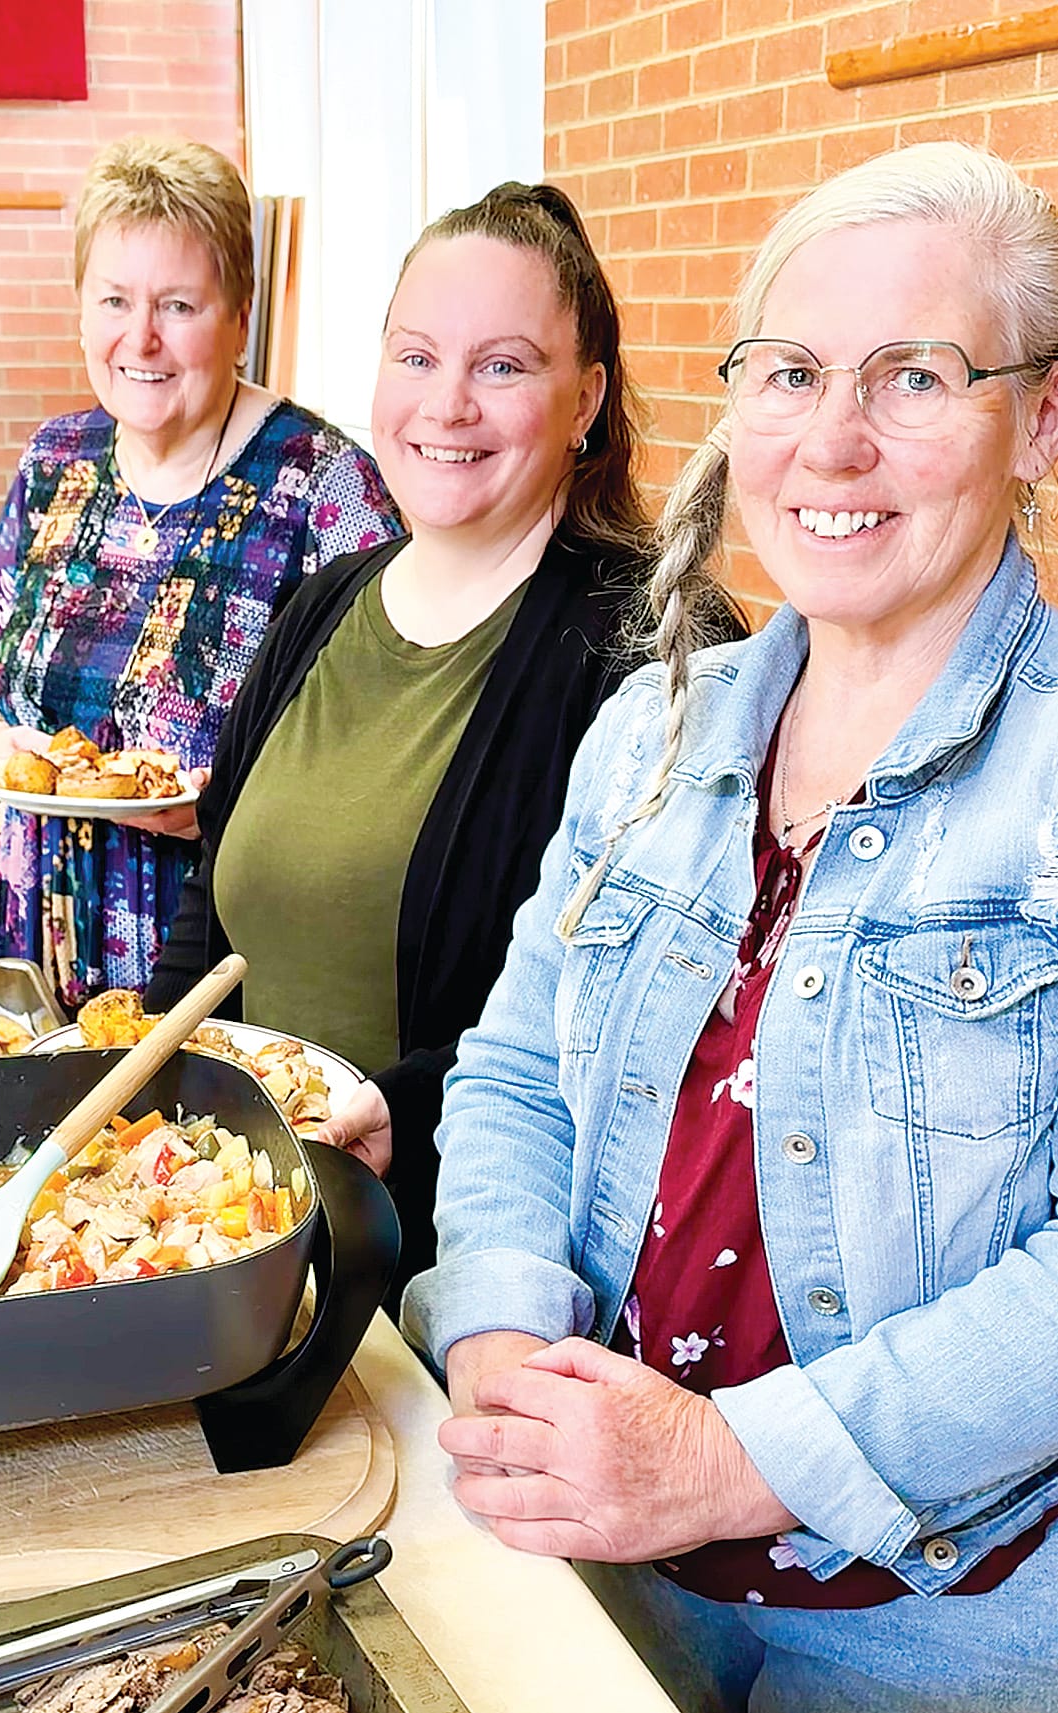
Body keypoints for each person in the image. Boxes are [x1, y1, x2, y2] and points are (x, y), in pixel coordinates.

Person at [403, 142, 1058, 1713]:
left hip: (956, 1616)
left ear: (1042, 414)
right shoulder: (652, 726)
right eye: (789, 373)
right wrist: (506, 1335)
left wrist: (732, 1460)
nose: (832, 445)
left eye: (916, 376)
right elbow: (518, 1066)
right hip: (612, 1564)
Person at [146, 182, 704, 1293]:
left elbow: (647, 1006)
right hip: (252, 1239)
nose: (446, 406)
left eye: (502, 366)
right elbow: (214, 900)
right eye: (416, 357)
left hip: (474, 1270)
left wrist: (412, 1107)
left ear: (585, 399)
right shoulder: (319, 608)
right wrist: (155, 1089)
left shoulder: (654, 648)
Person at [0, 135, 400, 1005]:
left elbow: (389, 753)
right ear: (80, 310)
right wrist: (20, 755)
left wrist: (221, 805)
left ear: (239, 316)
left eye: (178, 304)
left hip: (222, 962)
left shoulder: (320, 487)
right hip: (37, 942)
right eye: (114, 299)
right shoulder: (53, 462)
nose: (140, 338)